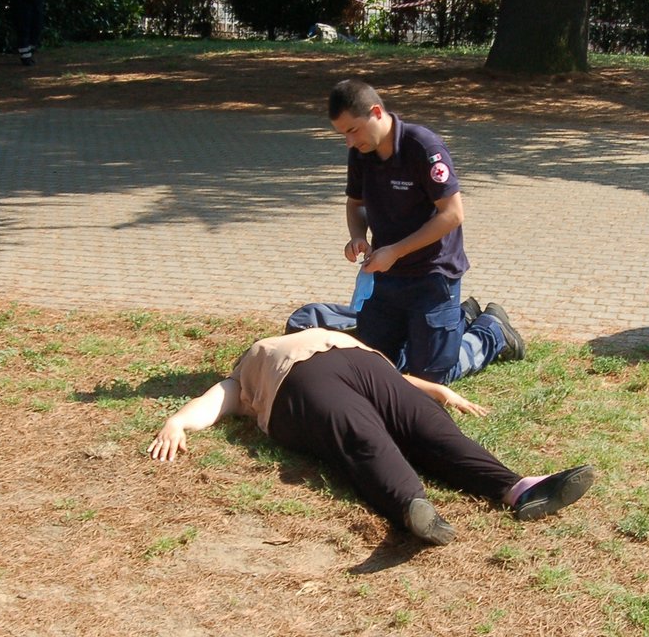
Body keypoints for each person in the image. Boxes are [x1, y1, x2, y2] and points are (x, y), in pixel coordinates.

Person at [148, 329, 594, 544]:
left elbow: (399, 380)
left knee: (421, 425)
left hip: (360, 366)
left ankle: (519, 489)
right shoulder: (252, 364)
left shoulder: (282, 349)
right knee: (372, 432)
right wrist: (179, 422)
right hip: (315, 378)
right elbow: (218, 396)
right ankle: (416, 506)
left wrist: (437, 390)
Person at [330, 79, 520, 383]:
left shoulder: (423, 147)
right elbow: (355, 204)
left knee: (431, 379)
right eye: (343, 135)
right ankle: (456, 321)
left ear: (376, 112)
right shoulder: (361, 152)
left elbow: (453, 214)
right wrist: (357, 236)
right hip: (386, 276)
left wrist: (394, 251)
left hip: (432, 276)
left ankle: (491, 331)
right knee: (371, 368)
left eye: (353, 130)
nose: (350, 143)